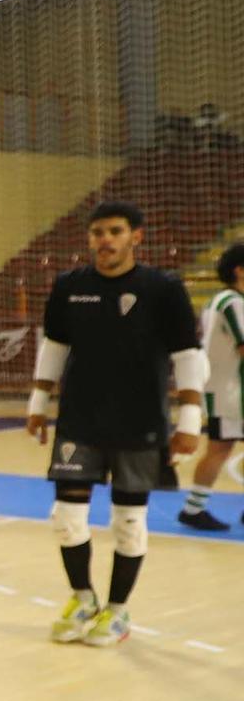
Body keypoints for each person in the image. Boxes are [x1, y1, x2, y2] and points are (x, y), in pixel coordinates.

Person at [29, 202, 203, 646]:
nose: (105, 240)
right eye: (97, 233)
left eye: (115, 231)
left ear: (135, 237)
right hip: (79, 420)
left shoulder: (162, 288)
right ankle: (83, 597)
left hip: (140, 422)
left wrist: (190, 420)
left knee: (128, 521)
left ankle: (119, 611)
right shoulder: (70, 286)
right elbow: (55, 345)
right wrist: (37, 400)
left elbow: (187, 355)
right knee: (65, 517)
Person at [179, 243, 244, 530]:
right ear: (239, 271)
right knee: (219, 449)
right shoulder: (233, 302)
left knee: (220, 448)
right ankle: (194, 509)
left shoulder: (223, 300)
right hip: (230, 392)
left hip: (227, 389)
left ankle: (195, 508)